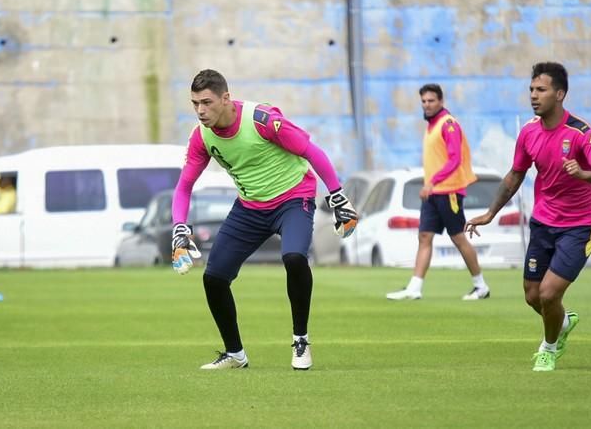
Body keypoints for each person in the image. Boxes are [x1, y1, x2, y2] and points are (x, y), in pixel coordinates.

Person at [171, 69, 357, 371]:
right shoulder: (200, 136)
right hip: (250, 208)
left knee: (295, 258)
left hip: (294, 198)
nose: (201, 111)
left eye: (206, 102)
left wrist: (337, 195)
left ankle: (300, 340)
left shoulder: (262, 120)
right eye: (195, 104)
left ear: (226, 98)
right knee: (214, 278)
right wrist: (179, 227)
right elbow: (184, 186)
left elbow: (311, 151)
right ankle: (235, 354)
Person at [465, 62, 591, 372]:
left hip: (582, 224)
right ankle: (561, 325)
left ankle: (548, 348)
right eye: (531, 89)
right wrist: (490, 213)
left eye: (541, 90)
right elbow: (515, 174)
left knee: (549, 293)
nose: (533, 95)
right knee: (533, 296)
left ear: (559, 94)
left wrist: (583, 173)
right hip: (544, 221)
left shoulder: (582, 134)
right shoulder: (529, 132)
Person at [386, 83, 490, 301]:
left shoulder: (448, 124)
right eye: (423, 101)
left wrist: (433, 181)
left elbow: (455, 159)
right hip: (433, 192)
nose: (427, 105)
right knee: (424, 236)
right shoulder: (431, 125)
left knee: (458, 238)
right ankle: (414, 287)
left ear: (441, 101)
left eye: (431, 101)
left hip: (448, 191)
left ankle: (481, 286)